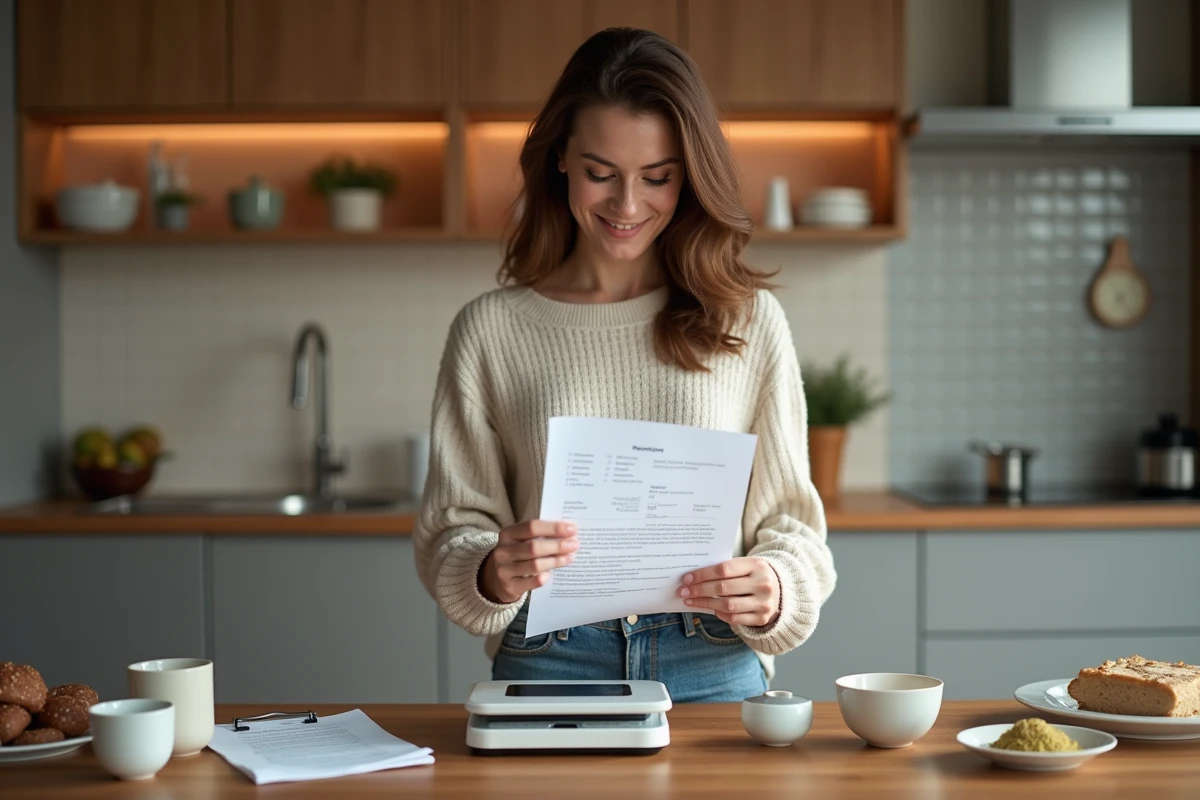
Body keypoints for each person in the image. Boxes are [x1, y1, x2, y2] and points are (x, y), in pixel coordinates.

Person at [413, 27, 836, 703]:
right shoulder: (491, 330)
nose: (628, 205)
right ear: (559, 159)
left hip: (714, 658)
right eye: (601, 173)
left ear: (690, 176)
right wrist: (492, 569)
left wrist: (777, 584)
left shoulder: (747, 320)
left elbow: (792, 526)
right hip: (550, 660)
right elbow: (450, 529)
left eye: (658, 178)